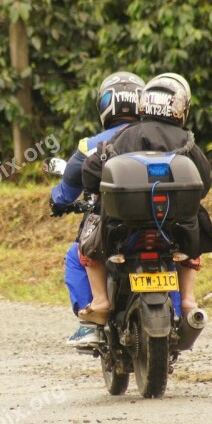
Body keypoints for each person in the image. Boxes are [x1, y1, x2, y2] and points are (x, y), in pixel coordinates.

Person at [78, 73, 212, 325]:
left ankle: (100, 301)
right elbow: (204, 182)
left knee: (88, 236)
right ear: (180, 108)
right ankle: (187, 299)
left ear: (145, 103)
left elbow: (90, 172)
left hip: (120, 226)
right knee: (194, 225)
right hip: (176, 228)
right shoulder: (187, 141)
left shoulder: (122, 137)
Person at [50, 71, 144, 346]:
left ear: (105, 106)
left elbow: (68, 187)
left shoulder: (91, 144)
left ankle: (91, 323)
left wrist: (58, 201)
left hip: (113, 228)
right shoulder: (159, 136)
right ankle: (180, 310)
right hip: (161, 221)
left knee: (76, 255)